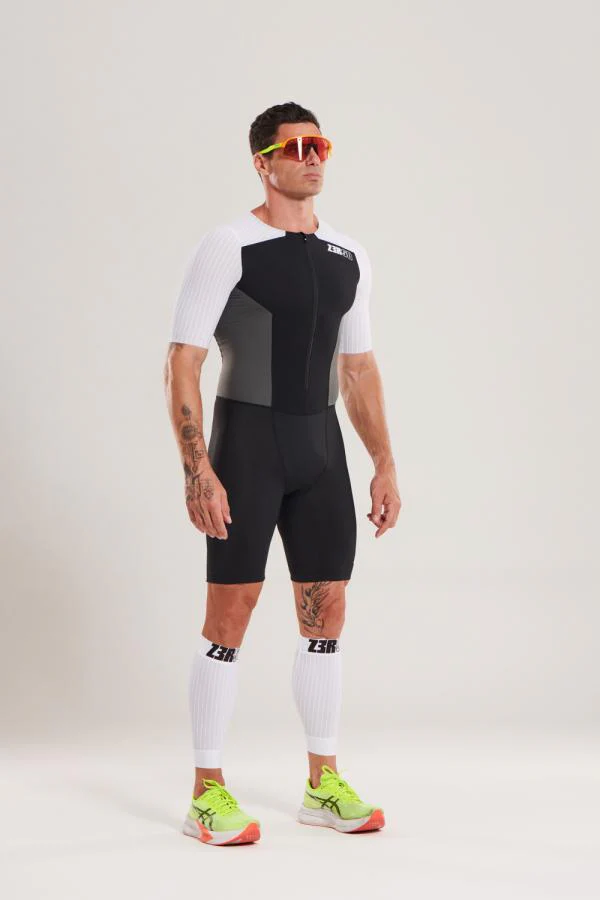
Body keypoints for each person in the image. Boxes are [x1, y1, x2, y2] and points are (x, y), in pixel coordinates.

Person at [164, 101, 401, 846]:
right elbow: (183, 361)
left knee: (326, 616)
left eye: (318, 144)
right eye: (294, 148)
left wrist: (384, 462)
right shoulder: (228, 246)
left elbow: (358, 369)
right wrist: (198, 469)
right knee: (230, 615)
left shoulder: (348, 255)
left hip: (320, 451)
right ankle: (206, 792)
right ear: (262, 163)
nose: (311, 157)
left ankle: (322, 784)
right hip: (247, 448)